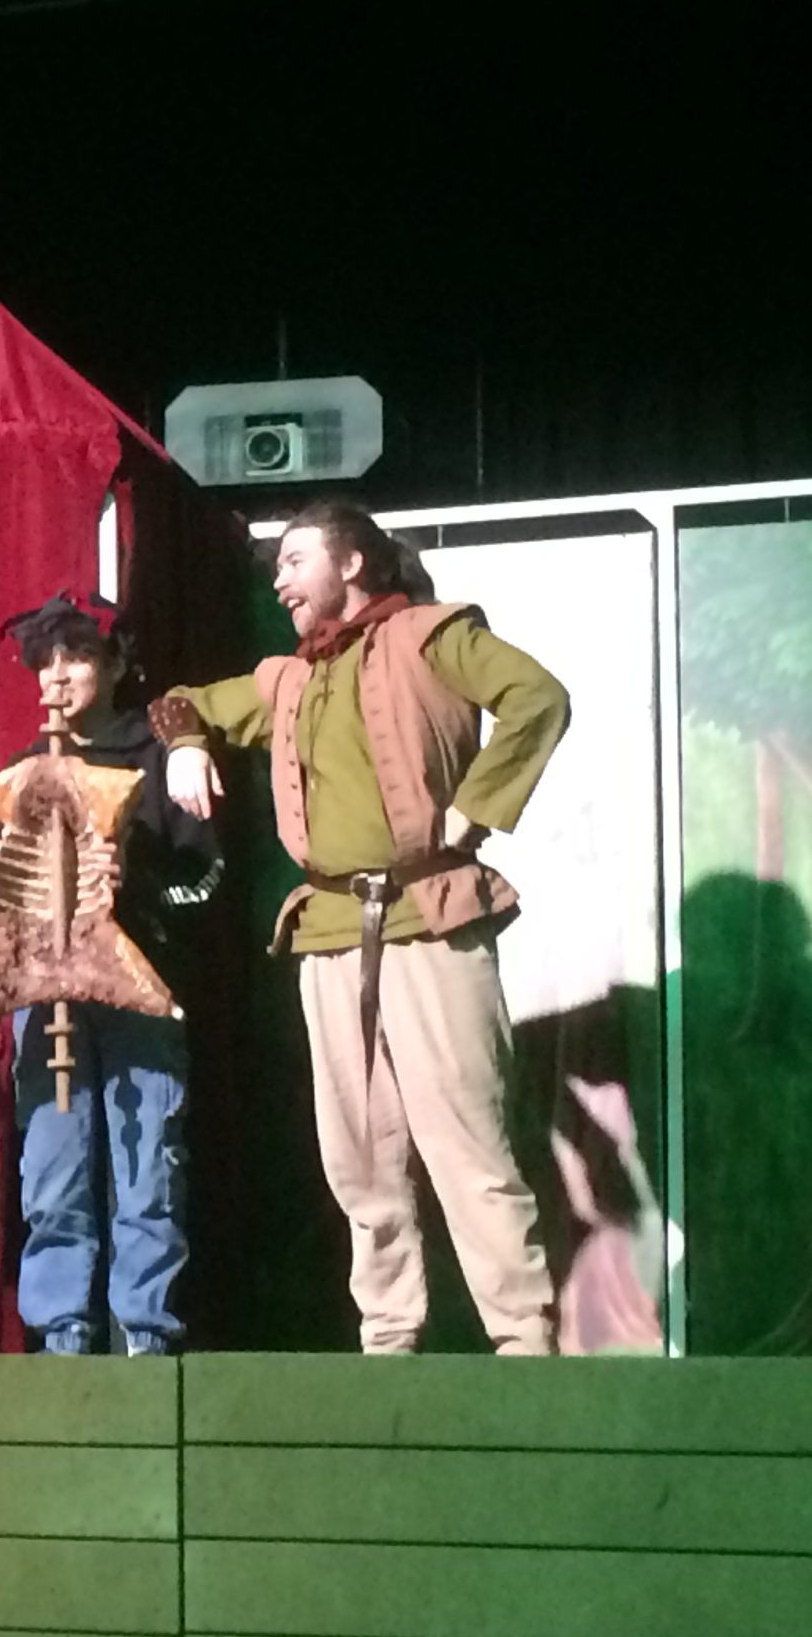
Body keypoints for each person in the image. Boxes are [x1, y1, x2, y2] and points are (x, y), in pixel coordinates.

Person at [156, 499, 568, 1355]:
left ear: (350, 563)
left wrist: (476, 808)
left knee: (467, 1143)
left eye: (295, 559)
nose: (279, 579)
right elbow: (182, 703)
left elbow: (538, 698)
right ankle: (388, 1337)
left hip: (430, 919)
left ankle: (524, 1341)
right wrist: (187, 742)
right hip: (330, 933)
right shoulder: (290, 679)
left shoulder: (431, 636)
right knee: (360, 1155)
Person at [0, 596, 220, 1356]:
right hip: (47, 992)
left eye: (77, 657)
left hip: (138, 983)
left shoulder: (160, 755)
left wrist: (131, 878)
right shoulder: (23, 772)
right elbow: (5, 907)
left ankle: (145, 1330)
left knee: (148, 1155)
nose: (58, 676)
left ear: (114, 666)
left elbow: (206, 881)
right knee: (52, 1161)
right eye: (44, 661)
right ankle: (63, 1330)